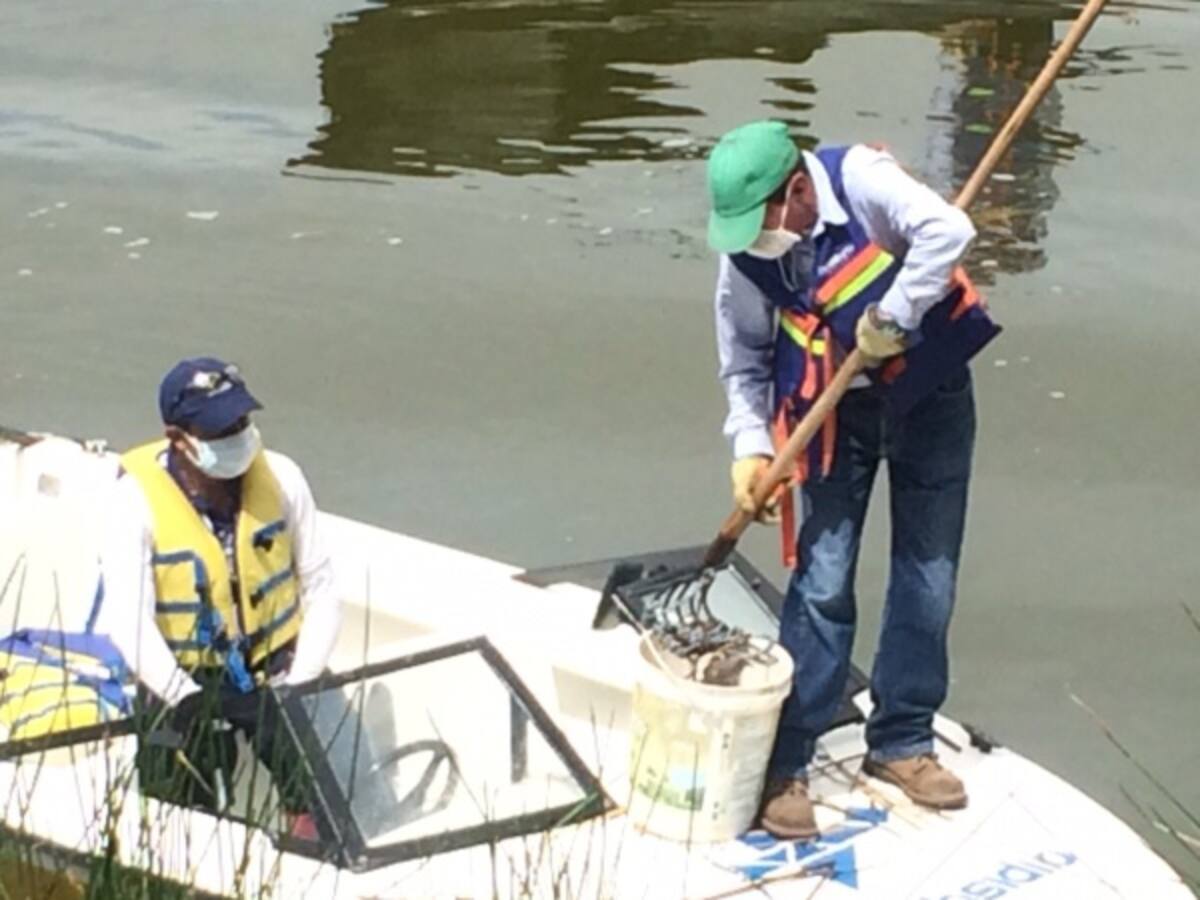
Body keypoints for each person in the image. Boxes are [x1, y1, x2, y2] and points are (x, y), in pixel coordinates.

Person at [705, 121, 1000, 839]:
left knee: (928, 573)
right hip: (835, 419)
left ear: (798, 192)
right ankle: (788, 759)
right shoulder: (746, 256)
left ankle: (901, 740)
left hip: (930, 399)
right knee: (824, 577)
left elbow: (948, 230)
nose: (752, 240)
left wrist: (893, 318)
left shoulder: (862, 180)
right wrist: (749, 448)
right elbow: (744, 358)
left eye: (760, 222)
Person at [96, 357, 341, 834]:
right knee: (175, 824)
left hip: (280, 671)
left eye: (241, 422)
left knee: (326, 808)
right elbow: (126, 618)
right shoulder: (133, 504)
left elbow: (322, 588)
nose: (236, 436)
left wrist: (299, 685)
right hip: (188, 683)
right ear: (177, 438)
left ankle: (310, 840)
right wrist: (182, 697)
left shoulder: (284, 478)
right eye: (218, 430)